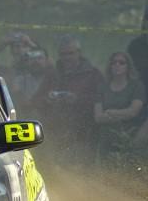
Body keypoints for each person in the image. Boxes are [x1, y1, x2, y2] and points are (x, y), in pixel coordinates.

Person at [34, 35, 105, 163]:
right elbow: (38, 99)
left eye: (70, 53)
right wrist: (48, 99)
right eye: (63, 54)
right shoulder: (53, 73)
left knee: (83, 172)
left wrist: (77, 99)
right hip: (57, 132)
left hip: (84, 133)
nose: (67, 58)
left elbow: (102, 99)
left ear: (79, 53)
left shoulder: (92, 74)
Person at [94, 52, 146, 157]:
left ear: (128, 66)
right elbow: (98, 117)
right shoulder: (102, 87)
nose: (117, 65)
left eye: (122, 62)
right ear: (110, 66)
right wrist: (122, 115)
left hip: (128, 139)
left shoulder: (137, 86)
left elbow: (133, 112)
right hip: (105, 140)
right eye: (114, 62)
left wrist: (111, 112)